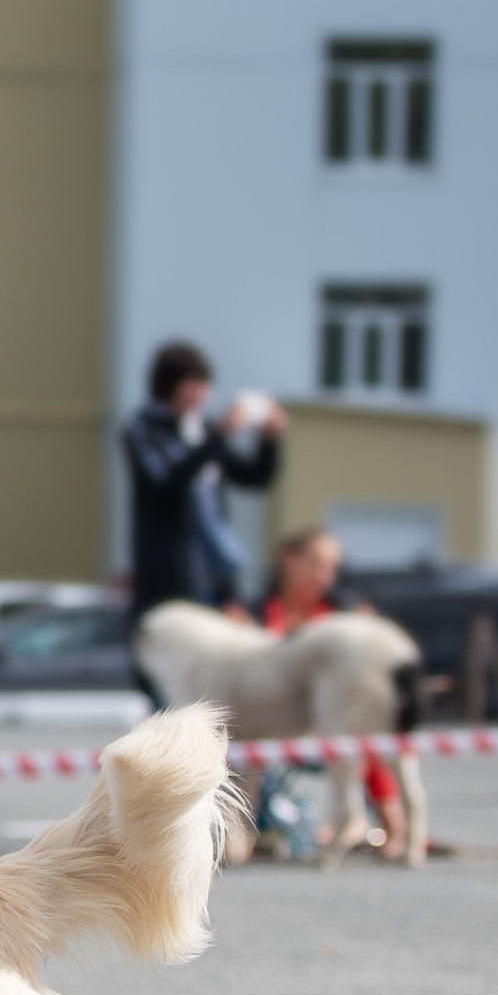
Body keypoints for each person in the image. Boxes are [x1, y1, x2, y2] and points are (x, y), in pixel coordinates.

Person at [258, 527, 403, 841]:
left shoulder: (344, 613)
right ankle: (241, 833)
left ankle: (392, 827)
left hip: (331, 720)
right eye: (315, 564)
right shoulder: (256, 612)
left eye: (330, 568)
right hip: (272, 720)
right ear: (287, 560)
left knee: (361, 732)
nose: (324, 576)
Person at [123, 342, 284, 620]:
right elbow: (166, 482)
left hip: (214, 573)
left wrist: (269, 441)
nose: (202, 394)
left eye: (204, 384)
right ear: (169, 385)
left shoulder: (202, 431)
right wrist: (219, 436)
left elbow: (255, 478)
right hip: (169, 577)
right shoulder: (144, 430)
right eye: (193, 384)